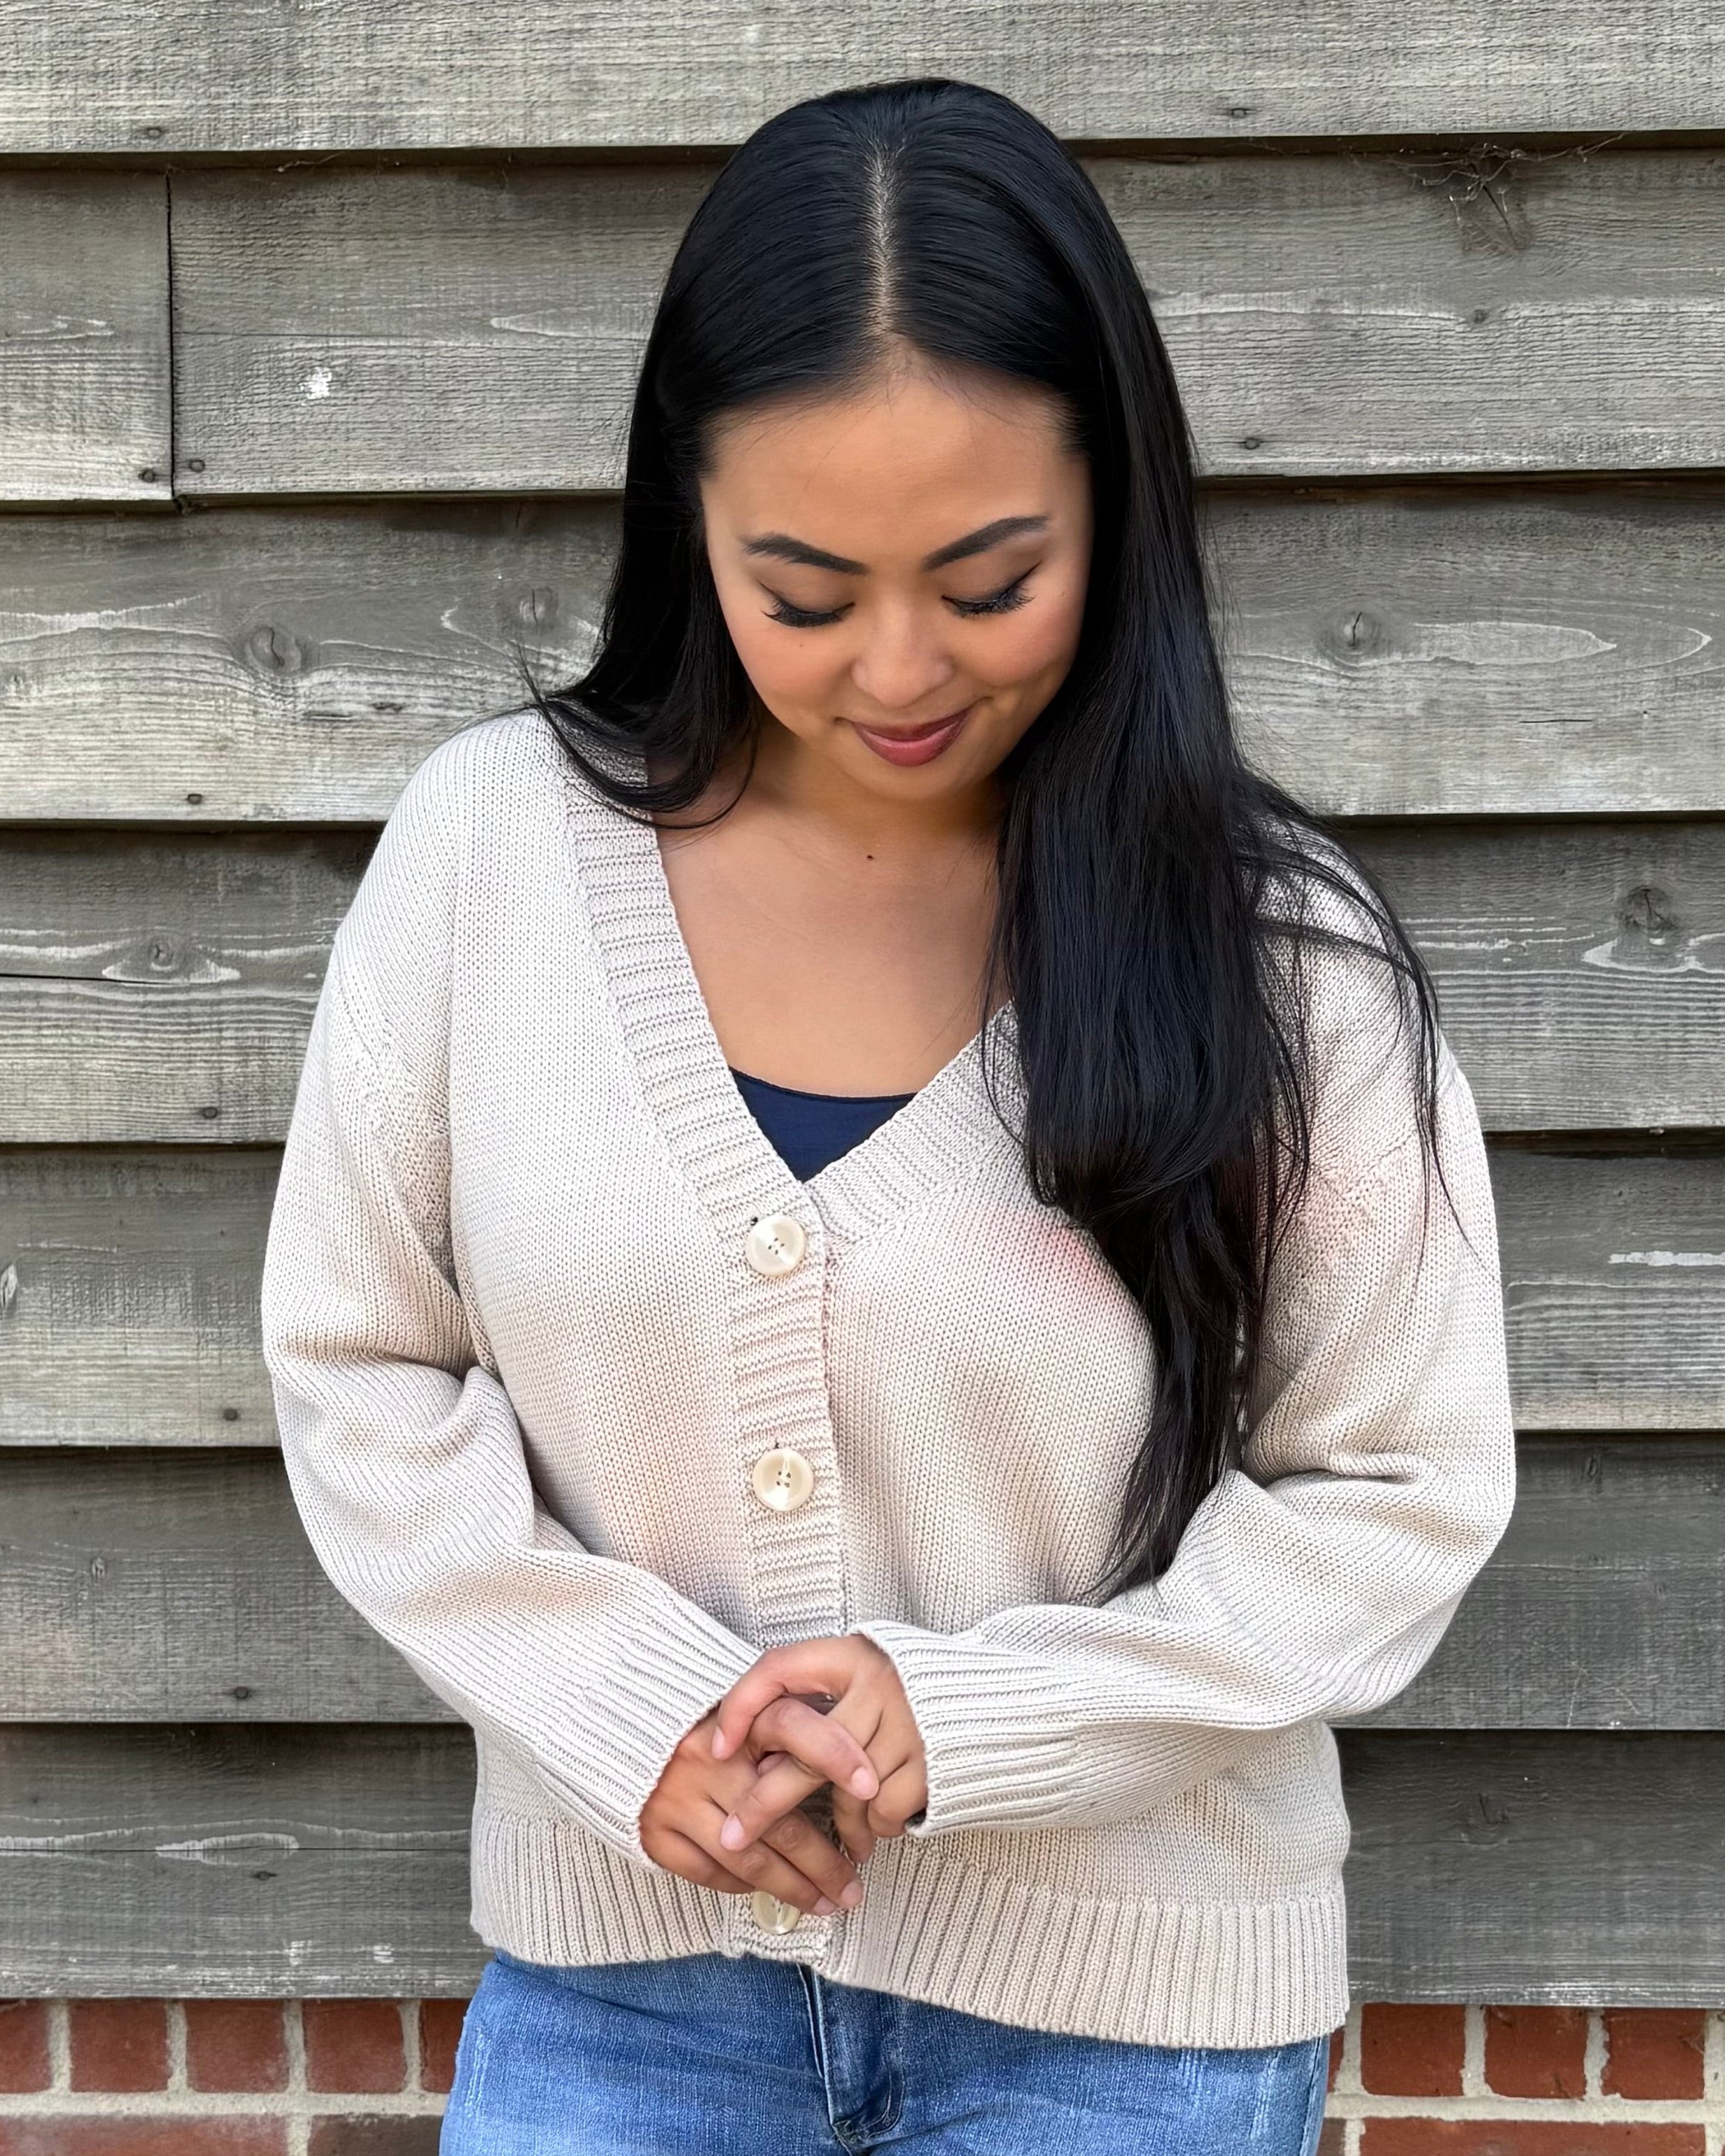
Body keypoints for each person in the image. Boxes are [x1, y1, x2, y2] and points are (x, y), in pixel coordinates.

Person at [259, 75, 1516, 2156]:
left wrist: (981, 1716)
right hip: (621, 2000)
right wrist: (619, 1700)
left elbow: (1393, 1485)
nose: (901, 667)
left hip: (1132, 2029)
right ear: (691, 524)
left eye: (989, 574)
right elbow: (361, 1360)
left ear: (1113, 506)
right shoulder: (490, 857)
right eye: (808, 590)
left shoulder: (1278, 953)